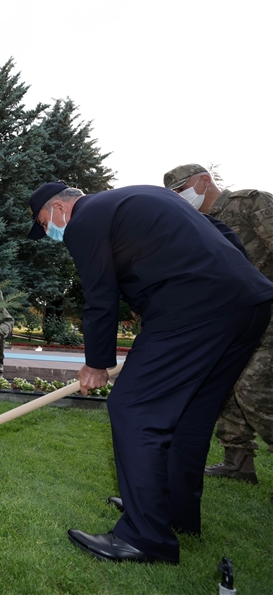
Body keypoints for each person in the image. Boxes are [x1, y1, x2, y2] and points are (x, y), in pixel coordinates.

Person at [27, 182, 273, 564]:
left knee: (133, 408)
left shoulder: (85, 218)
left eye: (44, 224)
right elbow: (222, 234)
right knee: (190, 415)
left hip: (195, 309)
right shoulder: (141, 195)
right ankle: (172, 512)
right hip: (249, 304)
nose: (49, 233)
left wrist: (96, 363)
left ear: (59, 207)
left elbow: (99, 293)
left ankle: (145, 538)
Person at [163, 164, 273, 492]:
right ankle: (238, 461)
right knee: (223, 387)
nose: (181, 198)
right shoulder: (194, 224)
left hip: (268, 316)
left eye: (182, 190)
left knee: (253, 388)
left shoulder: (249, 203)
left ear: (203, 181)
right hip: (228, 321)